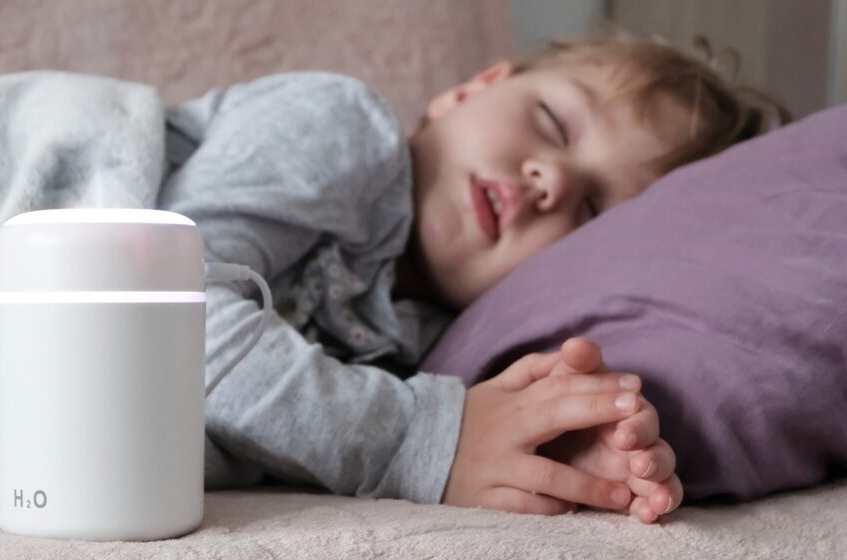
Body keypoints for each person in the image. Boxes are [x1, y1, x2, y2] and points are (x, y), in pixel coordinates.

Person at [159, 28, 787, 525]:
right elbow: (164, 314)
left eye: (592, 212)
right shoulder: (343, 129)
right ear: (473, 88)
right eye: (556, 123)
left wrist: (550, 449)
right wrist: (418, 438)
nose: (554, 179)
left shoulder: (433, 346)